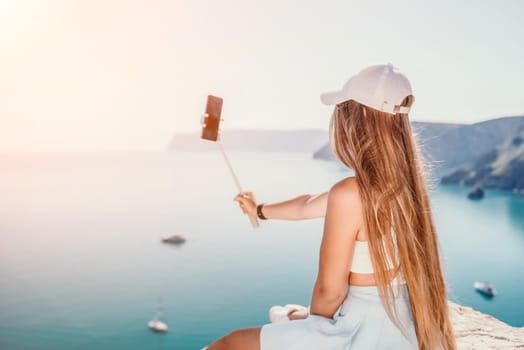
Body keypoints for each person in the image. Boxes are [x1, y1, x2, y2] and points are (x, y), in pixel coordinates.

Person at [204, 63, 457, 350]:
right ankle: (293, 317)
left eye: (340, 109)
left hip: (365, 327)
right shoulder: (405, 186)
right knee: (290, 316)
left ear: (359, 114)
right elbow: (308, 204)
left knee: (229, 344)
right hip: (400, 322)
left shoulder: (351, 194)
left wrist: (312, 330)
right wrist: (259, 209)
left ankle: (295, 319)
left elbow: (330, 292)